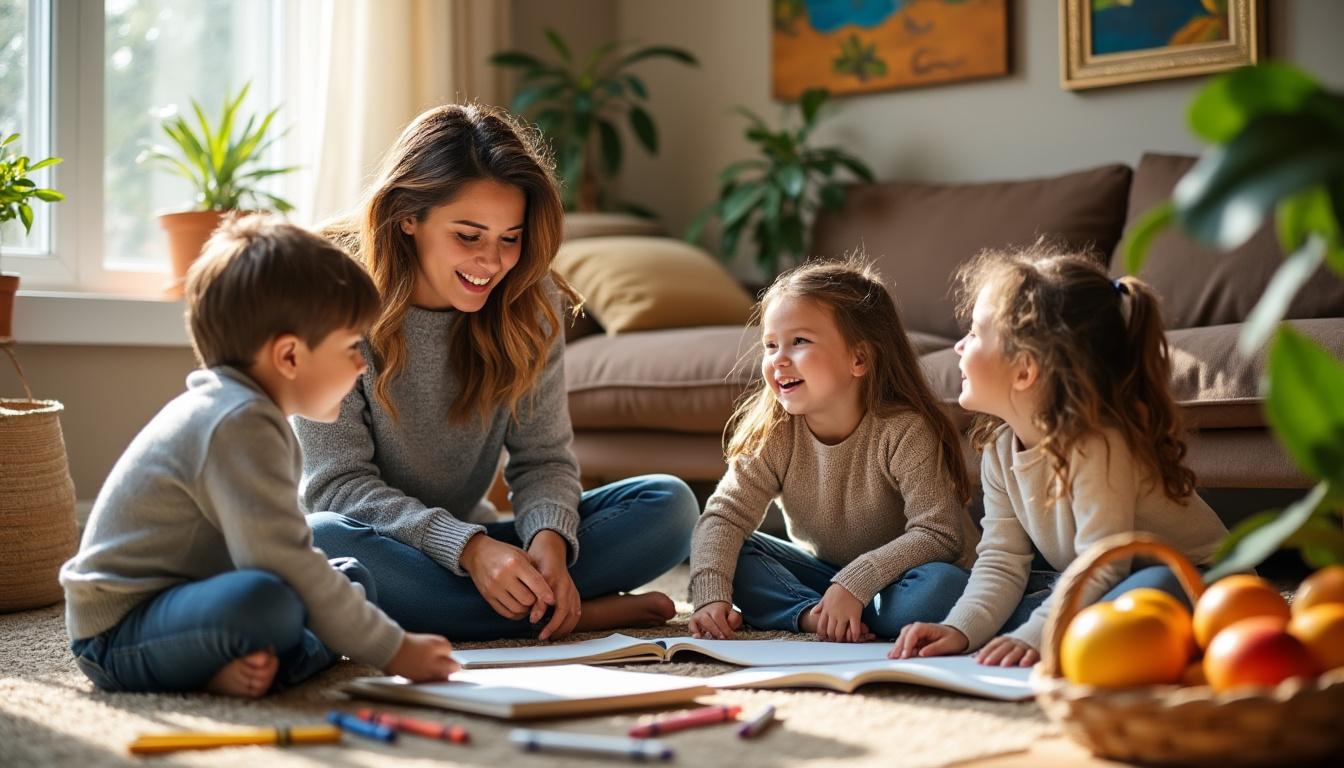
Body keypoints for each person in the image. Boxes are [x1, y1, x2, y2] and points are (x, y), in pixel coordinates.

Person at [295, 103, 697, 641]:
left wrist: (549, 544)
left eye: (510, 237)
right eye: (468, 235)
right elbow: (335, 487)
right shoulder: (328, 292)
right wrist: (468, 549)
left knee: (670, 506)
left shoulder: (530, 300)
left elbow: (543, 458)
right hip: (379, 542)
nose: (492, 262)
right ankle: (572, 614)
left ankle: (505, 604)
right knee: (322, 539)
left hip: (479, 542)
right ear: (408, 216)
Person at [59, 215, 459, 697]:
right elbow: (280, 561)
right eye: (353, 346)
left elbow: (281, 555)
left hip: (196, 598)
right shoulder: (238, 422)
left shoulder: (251, 413)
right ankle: (232, 663)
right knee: (267, 599)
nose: (361, 365)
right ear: (289, 357)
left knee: (353, 578)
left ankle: (251, 660)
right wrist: (394, 650)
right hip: (119, 632)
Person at [891, 244, 1228, 667]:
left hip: (1199, 582)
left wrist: (1036, 635)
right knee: (971, 597)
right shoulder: (999, 450)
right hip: (1104, 580)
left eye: (974, 333)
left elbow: (1102, 564)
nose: (959, 346)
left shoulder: (1098, 444)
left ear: (1024, 370)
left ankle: (1075, 630)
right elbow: (1002, 559)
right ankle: (1074, 627)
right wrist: (960, 628)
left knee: (1154, 582)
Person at [687, 258, 979, 642]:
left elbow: (940, 535)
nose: (778, 359)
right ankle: (814, 615)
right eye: (771, 345)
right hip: (823, 575)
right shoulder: (773, 431)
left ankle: (839, 612)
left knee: (941, 588)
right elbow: (724, 516)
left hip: (903, 577)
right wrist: (710, 598)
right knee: (729, 554)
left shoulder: (903, 430)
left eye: (799, 342)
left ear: (859, 359)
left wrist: (856, 583)